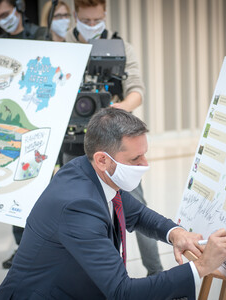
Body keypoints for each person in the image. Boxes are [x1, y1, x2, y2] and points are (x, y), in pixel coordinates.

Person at [0, 107, 226, 299]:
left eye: (144, 154)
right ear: (102, 159)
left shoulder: (89, 171)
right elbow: (122, 292)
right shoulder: (78, 206)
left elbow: (138, 214)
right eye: (135, 158)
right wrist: (201, 266)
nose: (144, 164)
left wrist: (176, 233)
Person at [63, 0, 163, 276]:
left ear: (105, 14)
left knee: (137, 207)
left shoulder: (121, 47)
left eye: (97, 20)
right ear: (75, 16)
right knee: (79, 208)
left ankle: (155, 271)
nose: (93, 26)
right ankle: (91, 276)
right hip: (73, 142)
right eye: (86, 20)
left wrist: (119, 109)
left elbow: (137, 90)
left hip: (114, 139)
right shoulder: (62, 46)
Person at [0, 0, 48, 269]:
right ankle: (22, 248)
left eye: (6, 14)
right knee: (16, 187)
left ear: (19, 8)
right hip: (13, 126)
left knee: (42, 189)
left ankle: (45, 249)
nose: (3, 20)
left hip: (43, 121)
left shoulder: (42, 36)